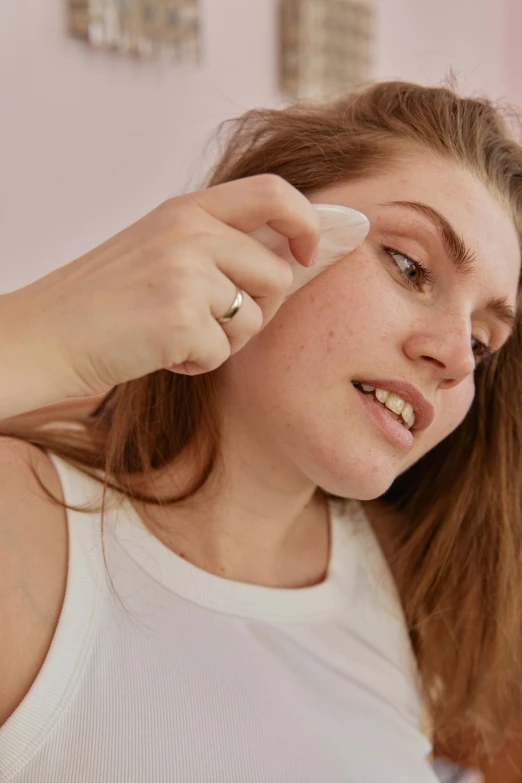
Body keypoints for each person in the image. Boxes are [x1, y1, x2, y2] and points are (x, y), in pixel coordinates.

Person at [0, 80, 521, 783]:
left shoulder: (407, 577)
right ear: (254, 237)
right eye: (410, 266)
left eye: (483, 340)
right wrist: (48, 334)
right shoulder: (29, 535)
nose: (457, 359)